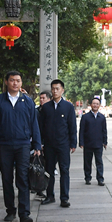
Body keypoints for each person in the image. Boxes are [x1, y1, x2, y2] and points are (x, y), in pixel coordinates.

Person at [0, 71, 41, 222]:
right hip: (4, 145)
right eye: (12, 80)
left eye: (18, 80)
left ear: (21, 83)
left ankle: (24, 214)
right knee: (7, 178)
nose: (15, 83)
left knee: (22, 178)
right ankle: (10, 210)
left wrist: (37, 144)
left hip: (23, 144)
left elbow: (34, 124)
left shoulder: (28, 102)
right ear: (6, 82)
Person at [40, 79, 77, 207]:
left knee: (64, 171)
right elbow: (41, 127)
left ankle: (64, 198)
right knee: (49, 171)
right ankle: (50, 196)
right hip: (49, 145)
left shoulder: (68, 106)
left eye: (57, 89)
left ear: (62, 90)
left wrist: (73, 143)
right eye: (53, 89)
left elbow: (72, 126)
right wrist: (40, 143)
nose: (55, 91)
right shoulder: (46, 107)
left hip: (63, 145)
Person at [79, 97, 108, 186]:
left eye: (97, 104)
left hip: (98, 144)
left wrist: (105, 142)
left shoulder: (102, 117)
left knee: (99, 162)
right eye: (94, 103)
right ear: (91, 105)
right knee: (87, 162)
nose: (95, 105)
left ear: (99, 106)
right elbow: (81, 131)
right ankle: (87, 177)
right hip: (88, 144)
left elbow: (104, 130)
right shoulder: (85, 117)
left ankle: (100, 179)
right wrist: (81, 142)